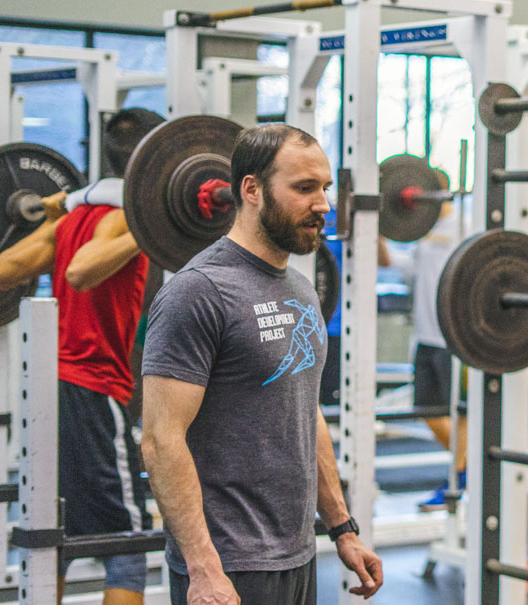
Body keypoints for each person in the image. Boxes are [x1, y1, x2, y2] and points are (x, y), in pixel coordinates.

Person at [140, 124, 383, 604]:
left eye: (325, 188)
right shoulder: (198, 292)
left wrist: (342, 528)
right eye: (304, 188)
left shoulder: (300, 289)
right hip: (228, 566)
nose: (323, 206)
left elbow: (303, 411)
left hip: (296, 555)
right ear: (251, 189)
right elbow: (160, 440)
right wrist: (203, 570)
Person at [0, 107, 163, 605]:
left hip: (50, 389)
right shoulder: (129, 216)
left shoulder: (75, 216)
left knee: (53, 531)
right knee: (127, 544)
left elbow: (2, 270)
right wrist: (152, 226)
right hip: (94, 385)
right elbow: (80, 273)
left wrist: (54, 225)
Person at [382, 168, 469, 511]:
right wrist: (375, 222)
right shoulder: (422, 232)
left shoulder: (465, 226)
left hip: (455, 339)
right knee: (427, 410)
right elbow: (388, 261)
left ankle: (459, 478)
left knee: (461, 411)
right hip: (425, 337)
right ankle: (470, 469)